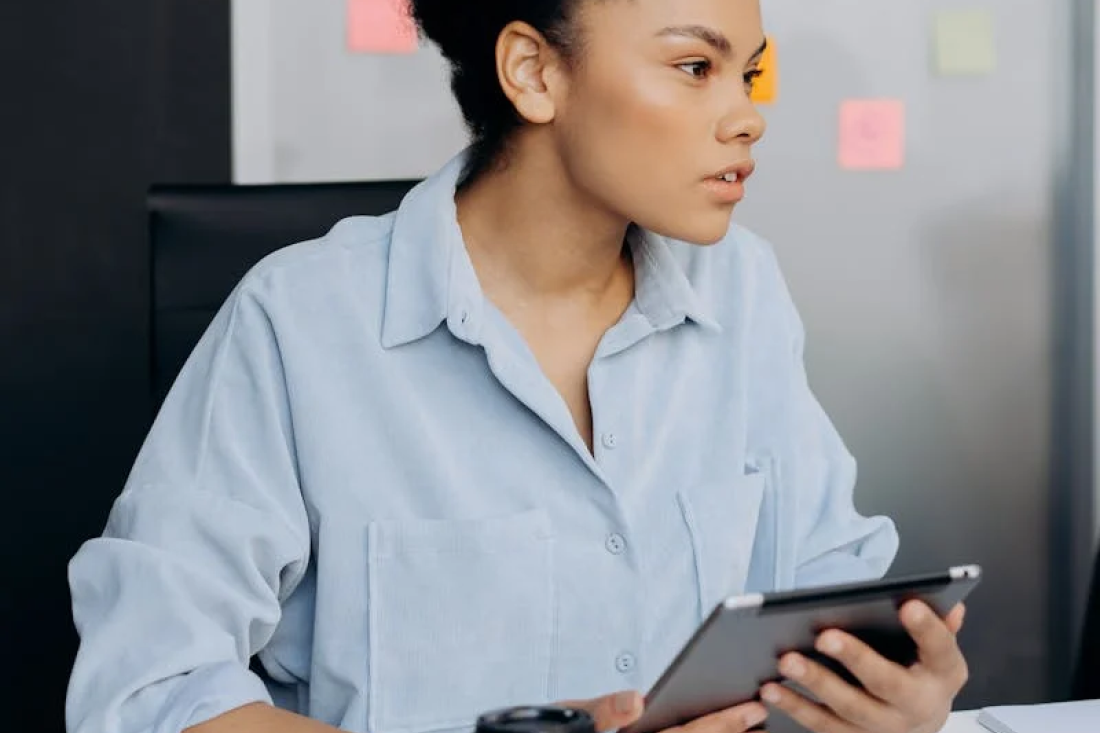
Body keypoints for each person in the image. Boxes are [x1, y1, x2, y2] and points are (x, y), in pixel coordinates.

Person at [66, 0, 970, 732]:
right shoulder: (299, 323)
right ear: (535, 72)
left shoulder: (743, 293)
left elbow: (827, 596)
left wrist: (892, 697)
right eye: (696, 68)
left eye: (748, 71)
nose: (746, 115)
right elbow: (144, 691)